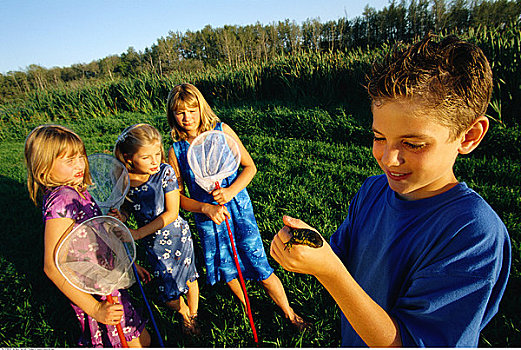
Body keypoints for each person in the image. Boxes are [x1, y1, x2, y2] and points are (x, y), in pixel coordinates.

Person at [270, 33, 511, 347]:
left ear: (468, 136)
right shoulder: (373, 190)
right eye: (379, 136)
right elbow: (342, 257)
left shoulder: (472, 233)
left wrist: (330, 273)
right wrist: (313, 251)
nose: (388, 159)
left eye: (412, 143)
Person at [167, 83, 310, 331]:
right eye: (180, 112)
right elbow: (178, 198)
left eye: (192, 110)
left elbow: (250, 166)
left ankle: (290, 314)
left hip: (239, 211)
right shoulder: (176, 151)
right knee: (228, 268)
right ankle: (247, 306)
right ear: (172, 115)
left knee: (259, 263)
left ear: (201, 108)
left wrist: (231, 191)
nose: (187, 117)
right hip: (209, 219)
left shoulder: (222, 132)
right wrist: (206, 208)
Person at [24, 124, 151, 347]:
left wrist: (128, 266)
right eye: (69, 160)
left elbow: (101, 234)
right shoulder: (61, 201)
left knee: (141, 338)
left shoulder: (77, 191)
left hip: (106, 279)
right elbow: (51, 266)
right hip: (94, 289)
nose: (80, 164)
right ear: (43, 169)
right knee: (130, 341)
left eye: (80, 157)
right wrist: (95, 308)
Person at [110, 123, 201, 335]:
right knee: (168, 296)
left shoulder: (164, 173)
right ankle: (183, 312)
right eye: (146, 157)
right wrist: (120, 216)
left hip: (177, 235)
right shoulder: (124, 182)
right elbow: (126, 211)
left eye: (157, 153)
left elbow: (171, 213)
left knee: (190, 278)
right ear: (128, 158)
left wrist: (137, 233)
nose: (155, 161)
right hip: (154, 244)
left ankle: (193, 316)